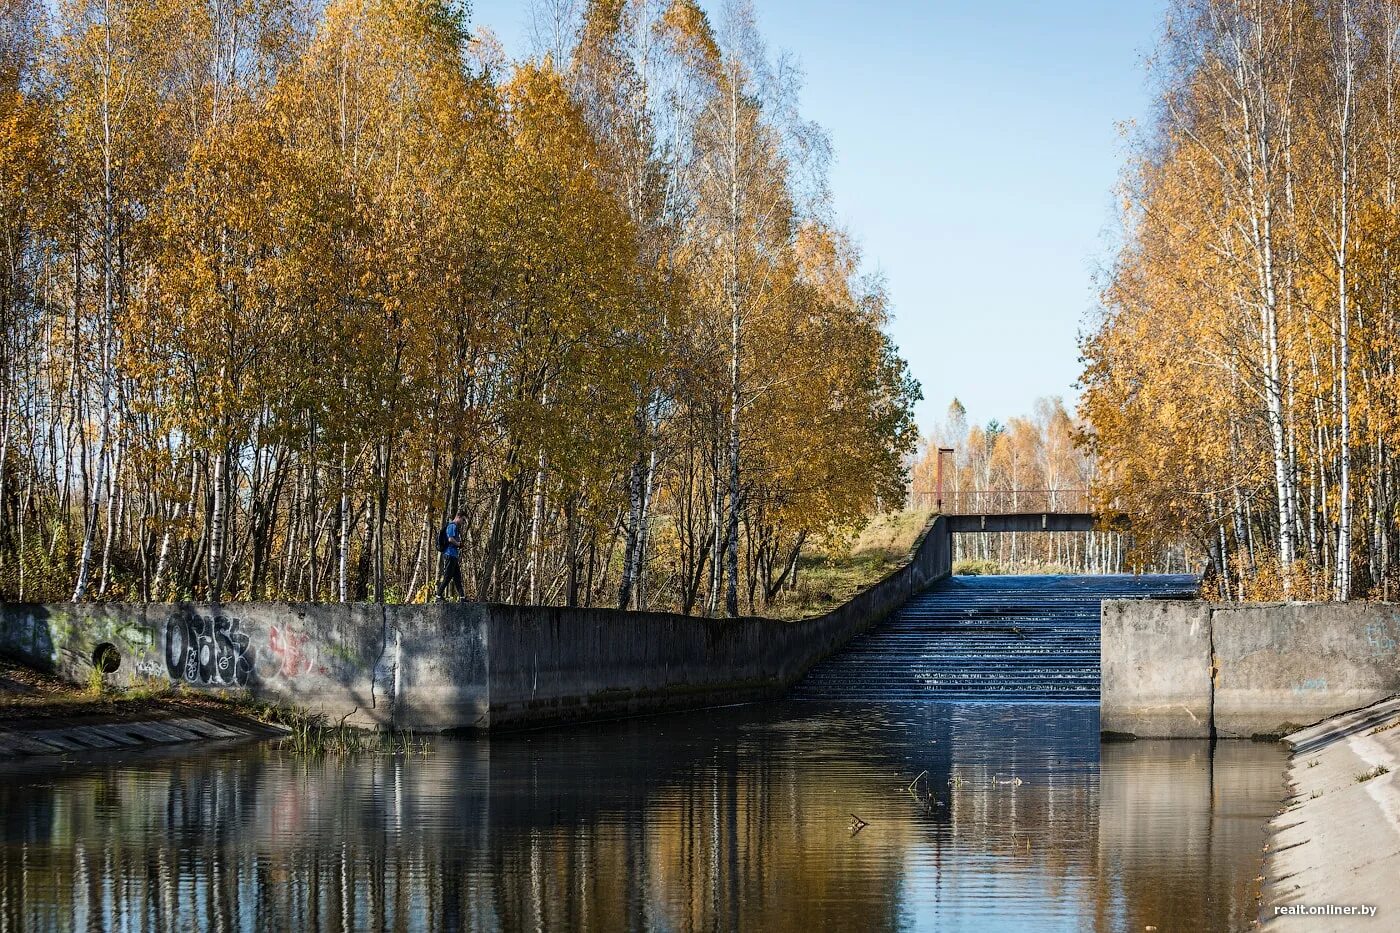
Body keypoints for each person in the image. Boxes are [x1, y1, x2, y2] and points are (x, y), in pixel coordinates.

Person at [436, 511, 465, 601]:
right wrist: (459, 544)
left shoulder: (455, 526)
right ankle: (438, 596)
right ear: (458, 517)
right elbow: (450, 539)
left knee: (457, 577)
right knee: (448, 576)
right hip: (450, 554)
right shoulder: (452, 526)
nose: (463, 522)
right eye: (463, 520)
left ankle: (462, 597)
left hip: (454, 555)